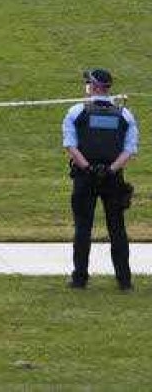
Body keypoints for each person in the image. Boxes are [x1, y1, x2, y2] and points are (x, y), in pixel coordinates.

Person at [62, 68, 138, 290]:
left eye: (88, 83)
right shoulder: (124, 115)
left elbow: (70, 145)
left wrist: (89, 168)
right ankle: (124, 281)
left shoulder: (76, 111)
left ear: (94, 87)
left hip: (85, 178)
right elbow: (129, 150)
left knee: (82, 228)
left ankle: (79, 279)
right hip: (114, 178)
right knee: (117, 229)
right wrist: (111, 170)